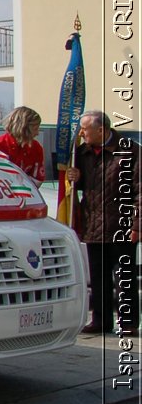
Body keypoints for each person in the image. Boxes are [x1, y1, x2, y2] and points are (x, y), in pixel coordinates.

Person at [69, 110, 138, 334]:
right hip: (94, 224)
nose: (81, 133)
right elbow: (82, 186)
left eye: (85, 129)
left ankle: (127, 323)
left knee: (124, 276)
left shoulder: (130, 151)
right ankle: (100, 320)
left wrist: (137, 225)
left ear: (101, 130)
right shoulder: (82, 153)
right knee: (98, 277)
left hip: (122, 224)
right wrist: (74, 179)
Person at [0, 106, 46, 184]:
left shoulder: (36, 148)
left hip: (24, 195)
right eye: (35, 129)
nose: (37, 133)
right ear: (23, 128)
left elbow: (37, 180)